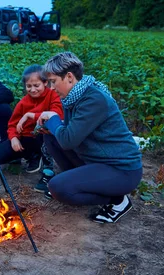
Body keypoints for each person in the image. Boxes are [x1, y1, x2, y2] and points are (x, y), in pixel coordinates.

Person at [38, 52, 143, 224]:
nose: (51, 87)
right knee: (51, 136)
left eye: (53, 81)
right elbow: (69, 133)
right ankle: (78, 182)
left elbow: (68, 140)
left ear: (69, 77)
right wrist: (52, 125)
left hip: (122, 170)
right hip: (98, 160)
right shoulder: (74, 97)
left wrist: (54, 119)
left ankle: (117, 200)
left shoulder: (93, 99)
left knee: (58, 188)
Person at [0, 65, 63, 174]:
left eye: (36, 85)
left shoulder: (53, 95)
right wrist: (14, 138)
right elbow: (12, 124)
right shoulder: (23, 102)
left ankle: (38, 156)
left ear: (45, 83)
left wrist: (31, 115)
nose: (32, 90)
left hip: (43, 136)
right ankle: (27, 155)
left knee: (42, 129)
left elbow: (57, 115)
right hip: (25, 138)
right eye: (29, 86)